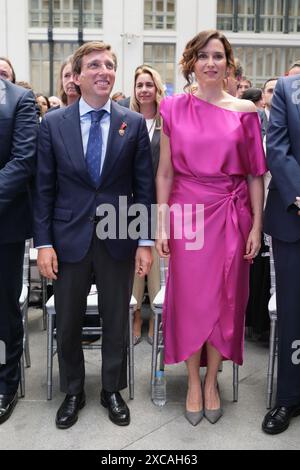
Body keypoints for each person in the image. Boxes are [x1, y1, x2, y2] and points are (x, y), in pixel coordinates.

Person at [33, 41, 155, 429]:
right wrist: (44, 243)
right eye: (95, 65)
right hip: (67, 240)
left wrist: (145, 242)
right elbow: (43, 189)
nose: (104, 71)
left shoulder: (131, 123)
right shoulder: (54, 123)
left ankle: (112, 389)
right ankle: (73, 391)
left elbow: (144, 188)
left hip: (118, 237)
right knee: (68, 321)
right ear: (78, 75)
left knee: (117, 318)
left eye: (109, 65)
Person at [156, 29, 266, 426]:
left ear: (228, 63)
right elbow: (165, 172)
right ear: (191, 63)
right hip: (187, 214)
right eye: (203, 56)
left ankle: (212, 382)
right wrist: (162, 223)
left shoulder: (244, 111)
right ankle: (190, 382)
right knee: (188, 299)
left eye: (217, 56)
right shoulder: (172, 107)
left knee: (226, 299)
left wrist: (257, 225)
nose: (210, 63)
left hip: (232, 214)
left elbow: (255, 174)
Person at [262, 75, 300, 435]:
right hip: (294, 219)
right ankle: (288, 396)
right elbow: (276, 148)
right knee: (293, 315)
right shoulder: (288, 90)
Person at [0, 78, 38, 424]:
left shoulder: (19, 100)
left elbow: (24, 159)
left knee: (2, 310)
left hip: (3, 226)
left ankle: (5, 383)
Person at [130, 65, 165, 345]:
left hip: (158, 203)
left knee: (155, 264)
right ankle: (135, 317)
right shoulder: (126, 120)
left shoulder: (167, 123)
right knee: (132, 264)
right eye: (140, 85)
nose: (144, 90)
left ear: (157, 89)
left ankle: (155, 316)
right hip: (126, 206)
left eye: (149, 85)